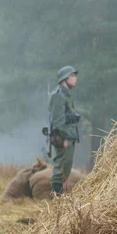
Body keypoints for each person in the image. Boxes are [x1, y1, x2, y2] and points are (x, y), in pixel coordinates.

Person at [48, 65, 81, 194]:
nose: (75, 78)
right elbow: (57, 121)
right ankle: (56, 201)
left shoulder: (66, 95)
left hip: (69, 136)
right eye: (72, 76)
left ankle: (59, 200)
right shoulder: (58, 96)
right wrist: (65, 137)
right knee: (60, 169)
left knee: (65, 169)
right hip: (63, 137)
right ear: (64, 79)